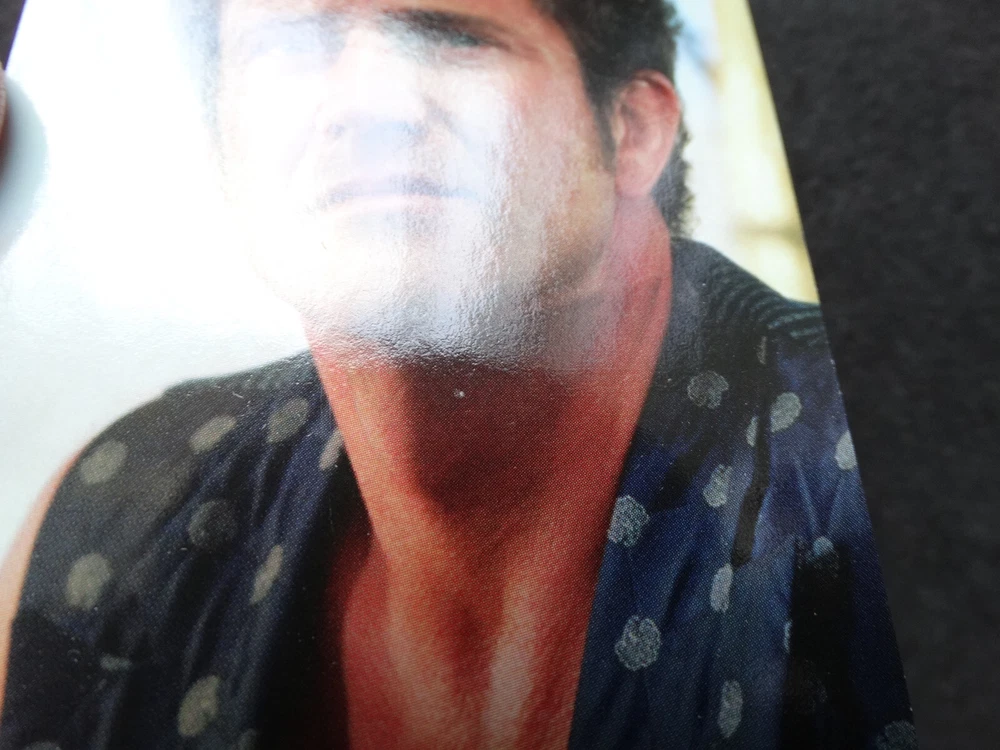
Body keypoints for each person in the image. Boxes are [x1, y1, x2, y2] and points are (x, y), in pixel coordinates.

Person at [0, 1, 915, 748]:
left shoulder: (878, 460)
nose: (364, 102)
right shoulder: (115, 523)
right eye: (288, 46)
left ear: (633, 130)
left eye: (448, 36)